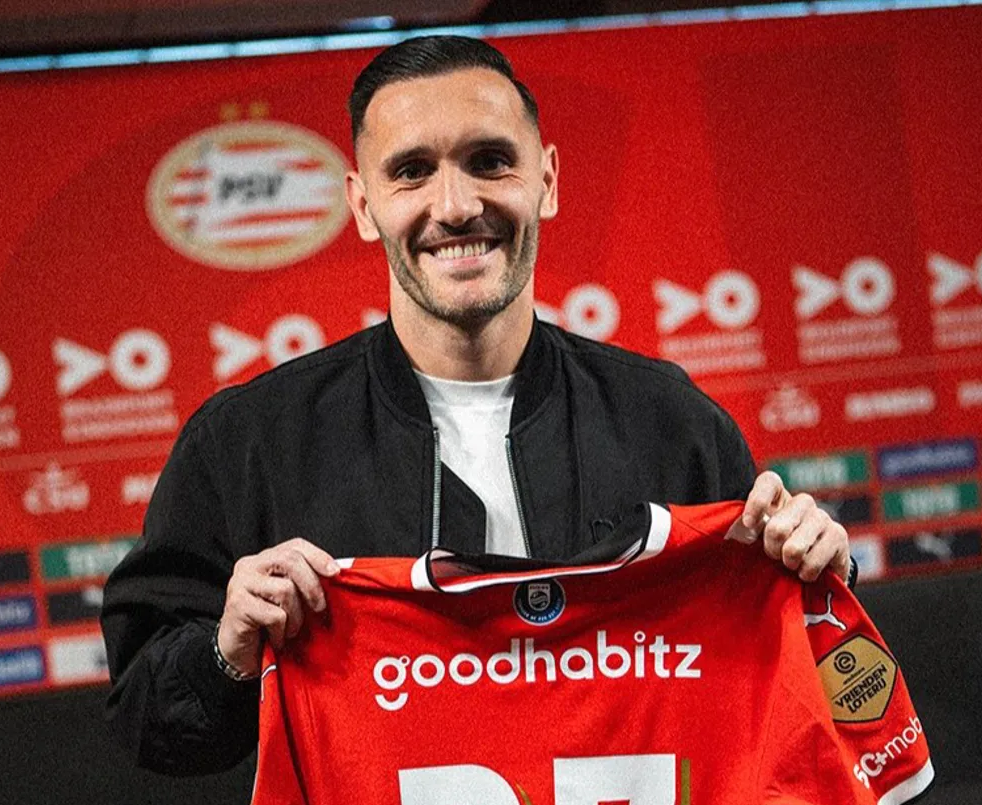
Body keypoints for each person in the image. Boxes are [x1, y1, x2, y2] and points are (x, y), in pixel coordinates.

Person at [100, 34, 852, 775]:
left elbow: (787, 696)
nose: (456, 206)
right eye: (412, 172)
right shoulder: (250, 443)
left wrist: (818, 584)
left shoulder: (672, 423)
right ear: (363, 205)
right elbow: (146, 720)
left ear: (546, 181)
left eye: (490, 161)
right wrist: (227, 653)